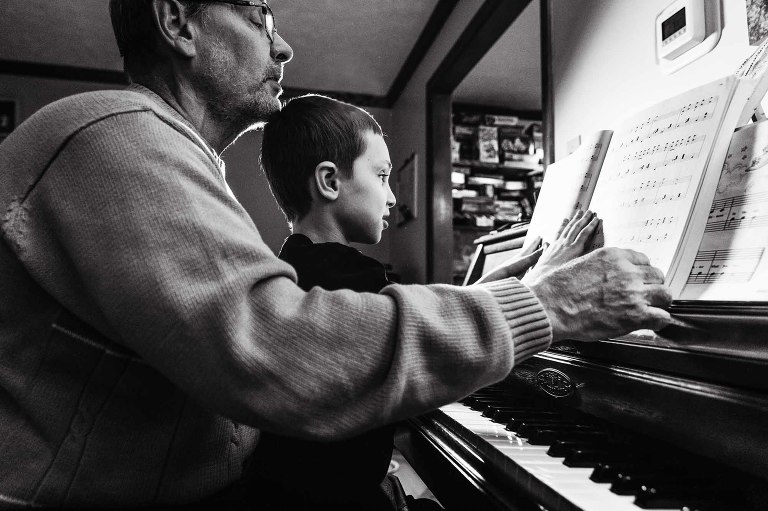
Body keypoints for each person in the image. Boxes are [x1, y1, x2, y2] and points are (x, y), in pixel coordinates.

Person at [0, 0, 672, 509]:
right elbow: (283, 349)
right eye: (260, 14)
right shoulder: (114, 135)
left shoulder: (171, 159)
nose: (284, 45)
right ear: (178, 21)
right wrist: (547, 303)